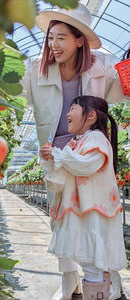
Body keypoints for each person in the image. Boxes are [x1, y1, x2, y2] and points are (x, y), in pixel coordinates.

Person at [20, 3, 129, 299]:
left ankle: (110, 278)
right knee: (61, 217)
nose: (53, 45)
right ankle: (69, 280)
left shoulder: (101, 66)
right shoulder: (35, 68)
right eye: (50, 38)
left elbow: (124, 89)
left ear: (79, 38)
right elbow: (13, 93)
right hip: (56, 156)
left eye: (61, 38)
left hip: (90, 155)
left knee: (99, 215)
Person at [40, 95, 127, 299]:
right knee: (92, 264)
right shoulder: (75, 143)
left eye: (73, 108)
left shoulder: (96, 138)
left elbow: (86, 166)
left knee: (93, 265)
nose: (68, 114)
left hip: (92, 213)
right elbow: (57, 183)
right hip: (83, 213)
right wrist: (52, 160)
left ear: (90, 115)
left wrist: (58, 156)